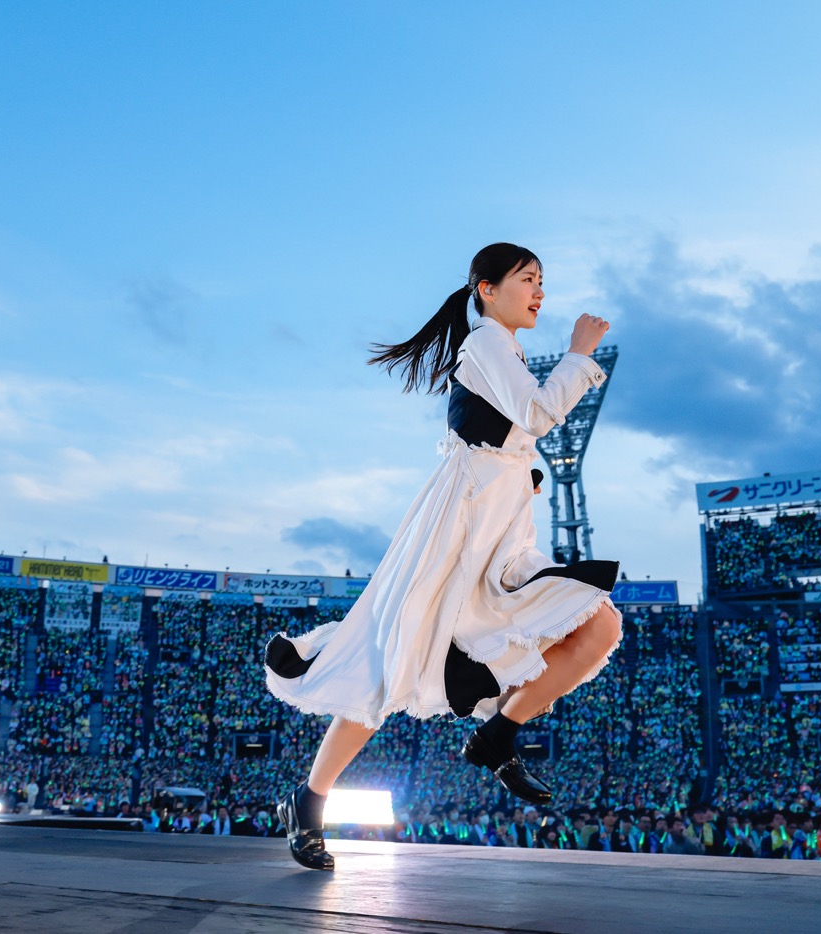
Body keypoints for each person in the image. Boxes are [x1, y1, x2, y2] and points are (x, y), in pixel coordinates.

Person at [264, 242, 622, 871]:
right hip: (458, 535)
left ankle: (497, 736)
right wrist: (580, 353)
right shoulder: (485, 342)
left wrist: (522, 477)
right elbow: (538, 413)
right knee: (388, 667)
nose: (540, 292)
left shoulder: (502, 348)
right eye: (529, 279)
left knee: (599, 626)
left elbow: (507, 435)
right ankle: (310, 800)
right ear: (487, 289)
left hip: (501, 534)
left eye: (542, 281)